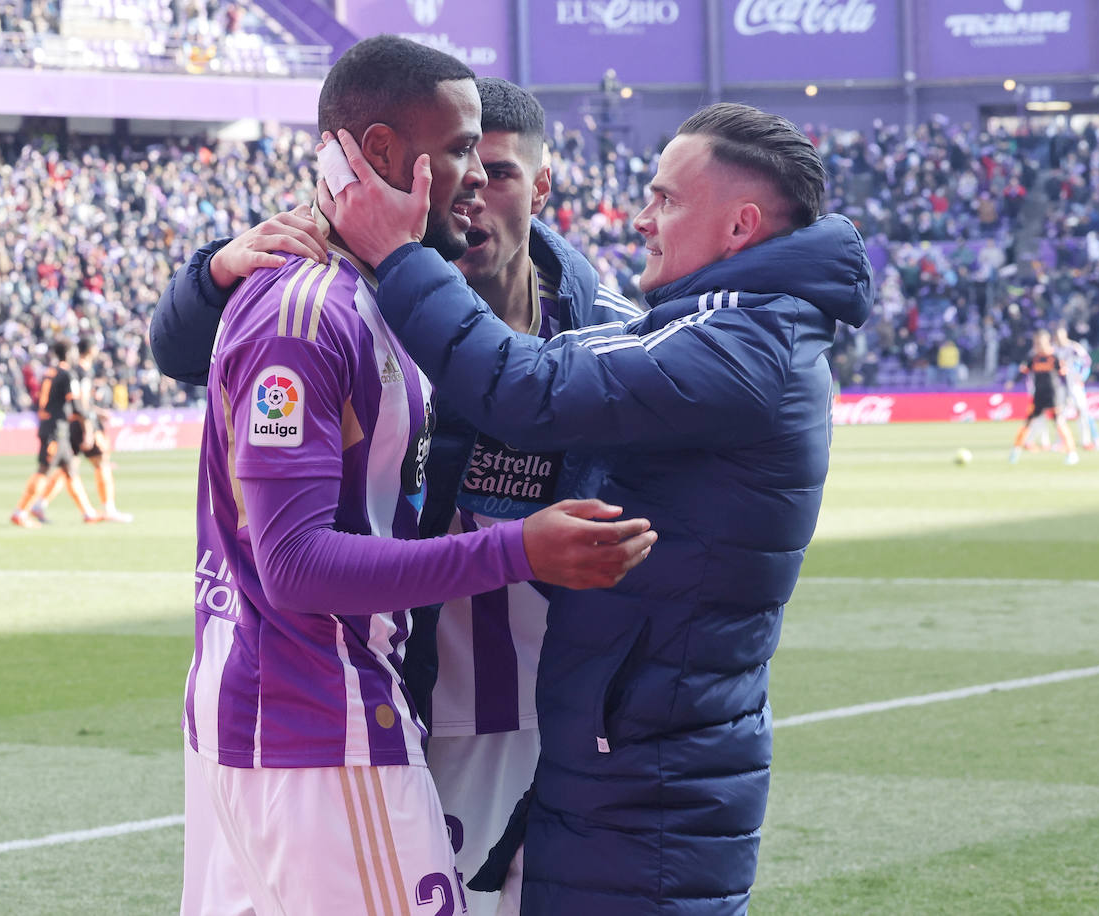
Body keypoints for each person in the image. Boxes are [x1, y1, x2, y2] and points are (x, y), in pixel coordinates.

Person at [316, 102, 872, 914]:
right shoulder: (733, 329)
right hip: (634, 747)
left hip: (650, 769)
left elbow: (524, 386)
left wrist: (397, 254)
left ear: (740, 225)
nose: (641, 218)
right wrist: (220, 270)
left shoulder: (740, 345)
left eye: (667, 200)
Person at [172, 36, 655, 916]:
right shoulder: (309, 306)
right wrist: (521, 549)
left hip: (321, 717)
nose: (474, 176)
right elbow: (296, 564)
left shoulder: (392, 299)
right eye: (463, 148)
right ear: (387, 154)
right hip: (323, 720)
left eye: (492, 160)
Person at [30, 336, 133, 523]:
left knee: (68, 466)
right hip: (82, 422)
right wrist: (89, 425)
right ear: (91, 350)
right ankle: (109, 508)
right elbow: (82, 401)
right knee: (101, 460)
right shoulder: (83, 371)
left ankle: (40, 503)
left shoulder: (72, 370)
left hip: (69, 423)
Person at [10, 340, 101, 528]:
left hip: (55, 428)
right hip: (56, 431)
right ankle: (20, 512)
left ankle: (88, 512)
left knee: (70, 471)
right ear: (68, 353)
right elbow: (76, 406)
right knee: (44, 470)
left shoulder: (48, 373)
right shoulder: (67, 374)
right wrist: (87, 429)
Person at [1009, 330, 1079, 465]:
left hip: (1053, 396)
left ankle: (1072, 453)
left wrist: (1069, 395)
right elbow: (1023, 371)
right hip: (1038, 396)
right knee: (1027, 423)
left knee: (1059, 423)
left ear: (1047, 342)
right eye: (1035, 343)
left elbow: (1064, 377)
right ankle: (1015, 451)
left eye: (1039, 342)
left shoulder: (1055, 357)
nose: (1037, 345)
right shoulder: (1033, 358)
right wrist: (1012, 381)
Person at [1054, 325, 1099, 450]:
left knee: (1082, 411)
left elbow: (1087, 360)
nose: (1059, 339)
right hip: (1060, 386)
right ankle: (1061, 441)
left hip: (1074, 385)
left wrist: (1082, 376)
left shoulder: (1073, 347)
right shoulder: (1054, 349)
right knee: (1060, 414)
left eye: (1061, 336)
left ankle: (1086, 441)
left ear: (1065, 335)